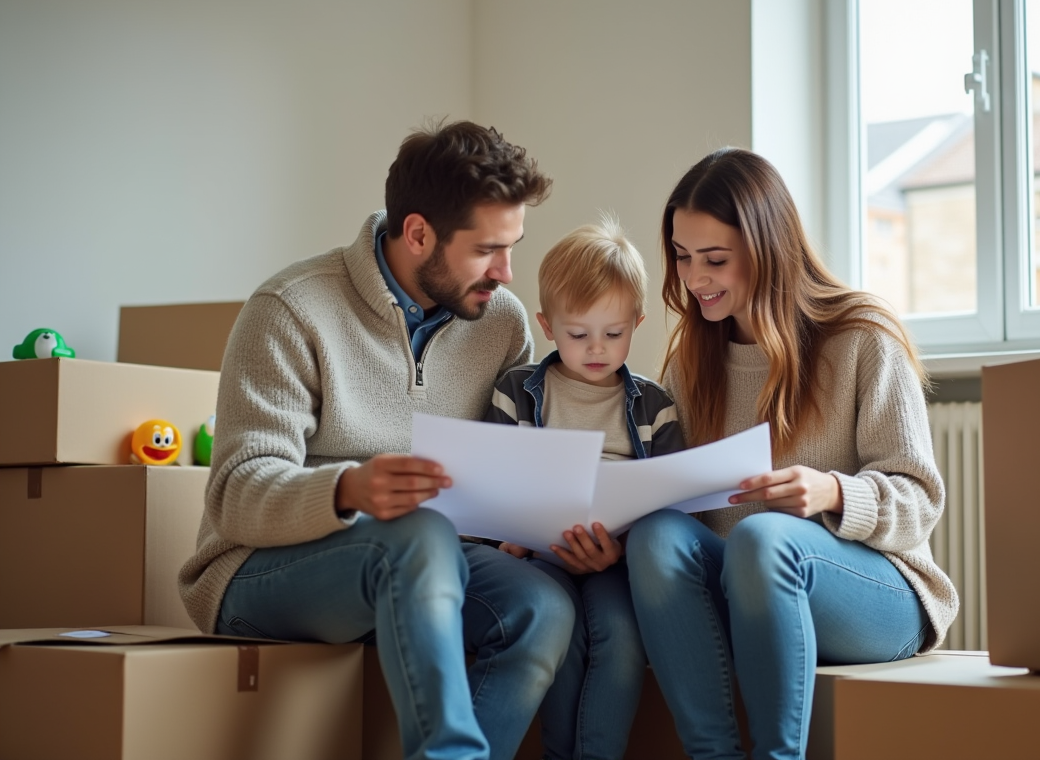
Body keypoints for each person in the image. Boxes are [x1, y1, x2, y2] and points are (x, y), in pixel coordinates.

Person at [178, 120, 576, 760]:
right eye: (487, 250)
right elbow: (235, 494)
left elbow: (503, 470)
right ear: (418, 234)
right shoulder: (291, 308)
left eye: (512, 247)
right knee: (417, 537)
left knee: (543, 608)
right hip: (260, 572)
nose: (506, 272)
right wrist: (349, 489)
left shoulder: (499, 323)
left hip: (429, 560)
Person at [624, 147, 959, 759]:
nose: (695, 278)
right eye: (682, 256)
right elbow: (676, 508)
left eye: (715, 259)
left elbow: (921, 500)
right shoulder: (690, 362)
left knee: (764, 538)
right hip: (747, 594)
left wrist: (835, 492)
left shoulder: (862, 337)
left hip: (879, 597)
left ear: (768, 249)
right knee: (654, 536)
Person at [482, 218, 685, 760]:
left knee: (621, 639)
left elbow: (673, 507)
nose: (597, 348)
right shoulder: (517, 392)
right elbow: (490, 483)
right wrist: (512, 537)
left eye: (614, 334)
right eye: (578, 334)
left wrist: (623, 548)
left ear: (637, 323)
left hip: (616, 563)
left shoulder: (654, 406)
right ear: (547, 326)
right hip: (540, 558)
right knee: (563, 639)